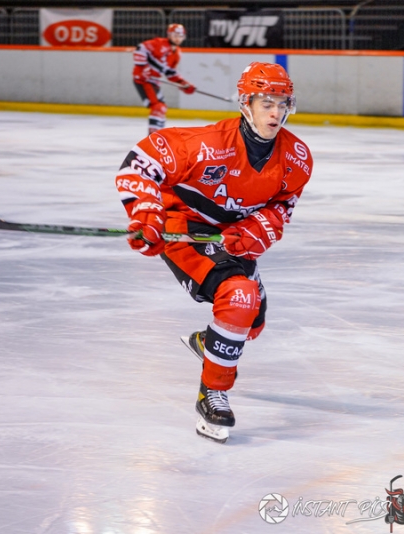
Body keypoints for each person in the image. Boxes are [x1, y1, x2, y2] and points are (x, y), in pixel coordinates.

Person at [115, 62, 313, 442]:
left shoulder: (297, 157)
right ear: (245, 103)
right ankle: (214, 392)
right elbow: (140, 166)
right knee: (240, 296)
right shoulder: (206, 143)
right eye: (266, 102)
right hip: (184, 227)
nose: (275, 112)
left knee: (252, 324)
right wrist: (145, 212)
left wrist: (260, 228)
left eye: (282, 103)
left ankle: (208, 343)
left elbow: (282, 205)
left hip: (230, 236)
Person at [133, 23, 196, 134]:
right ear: (169, 35)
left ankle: (157, 136)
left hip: (154, 81)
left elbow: (170, 73)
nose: (177, 38)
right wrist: (142, 67)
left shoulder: (177, 53)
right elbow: (140, 48)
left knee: (161, 108)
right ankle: (153, 139)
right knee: (158, 107)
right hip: (143, 79)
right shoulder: (159, 43)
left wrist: (183, 84)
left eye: (180, 36)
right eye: (175, 35)